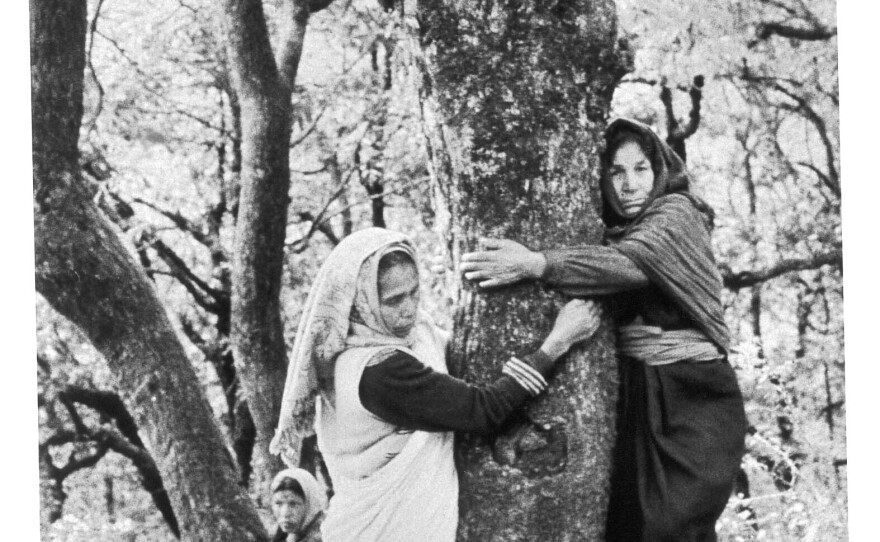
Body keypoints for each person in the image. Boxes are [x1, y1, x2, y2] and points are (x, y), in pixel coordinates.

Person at [460, 118, 748, 542]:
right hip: (640, 394)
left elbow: (630, 267)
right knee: (629, 525)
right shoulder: (613, 232)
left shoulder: (677, 214)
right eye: (615, 172)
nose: (629, 185)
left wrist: (535, 263)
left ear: (660, 171)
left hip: (693, 393)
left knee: (673, 525)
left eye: (640, 169)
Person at [270, 227, 601, 542]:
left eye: (414, 292)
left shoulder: (410, 337)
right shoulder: (378, 369)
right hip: (385, 528)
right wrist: (557, 343)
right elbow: (482, 410)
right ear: (360, 302)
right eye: (394, 299)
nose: (409, 309)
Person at [270, 468, 326, 542]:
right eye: (278, 503)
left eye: (293, 504)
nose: (285, 513)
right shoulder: (285, 535)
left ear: (310, 504)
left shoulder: (327, 536)